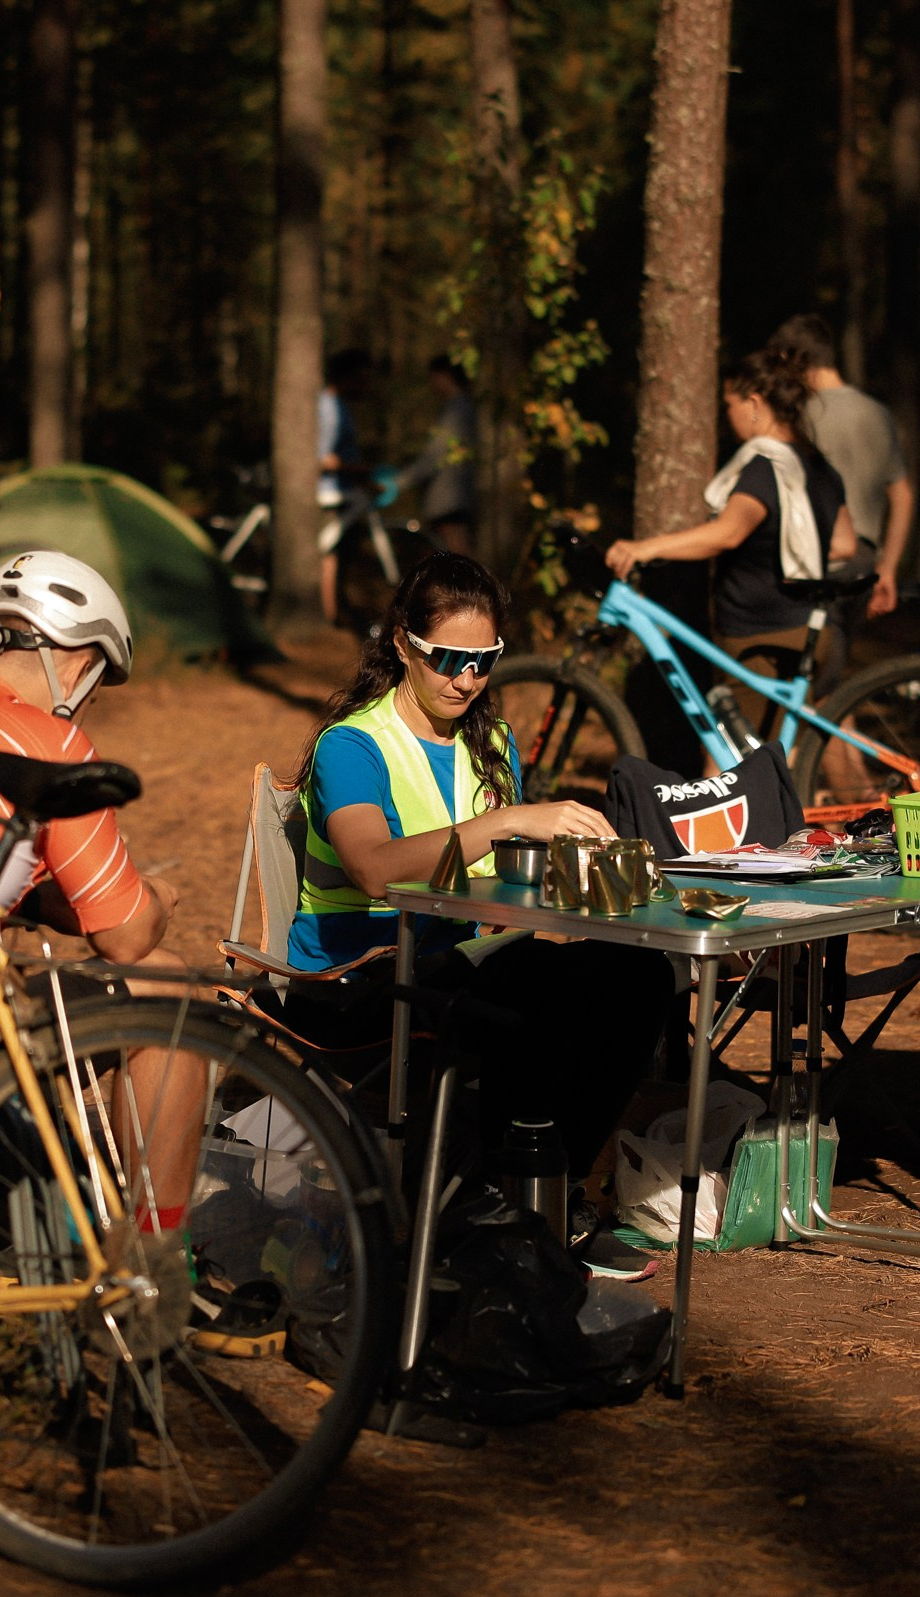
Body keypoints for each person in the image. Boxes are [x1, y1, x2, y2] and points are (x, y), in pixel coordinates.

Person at [284, 550, 676, 1181]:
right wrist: (505, 822)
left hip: (454, 960)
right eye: (446, 658)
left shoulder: (489, 743)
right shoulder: (352, 745)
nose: (465, 679)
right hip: (358, 978)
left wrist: (596, 870)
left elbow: (506, 880)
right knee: (531, 1004)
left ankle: (553, 1190)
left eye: (483, 662)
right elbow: (372, 871)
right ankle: (503, 1197)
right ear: (403, 647)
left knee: (639, 975)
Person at [0, 550, 198, 1227]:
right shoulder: (50, 740)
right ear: (78, 664)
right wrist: (154, 901)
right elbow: (122, 937)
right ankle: (156, 1255)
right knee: (167, 985)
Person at [601, 348, 857, 663]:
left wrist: (645, 548)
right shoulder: (819, 467)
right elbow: (845, 545)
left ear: (754, 404)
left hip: (764, 640)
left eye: (729, 405)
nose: (727, 415)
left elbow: (727, 534)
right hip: (813, 632)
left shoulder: (766, 467)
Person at [767, 314, 914, 618]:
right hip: (864, 560)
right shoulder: (877, 413)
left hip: (819, 559)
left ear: (796, 360)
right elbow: (902, 496)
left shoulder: (798, 416)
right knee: (839, 654)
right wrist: (887, 568)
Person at [397, 355, 478, 555]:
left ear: (444, 376)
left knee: (458, 557)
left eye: (432, 377)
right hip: (453, 498)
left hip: (450, 499)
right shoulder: (460, 407)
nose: (431, 384)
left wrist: (399, 482)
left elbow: (434, 456)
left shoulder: (457, 410)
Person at [316, 348, 373, 626]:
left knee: (336, 554)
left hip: (345, 492)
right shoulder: (328, 408)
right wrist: (359, 470)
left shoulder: (339, 406)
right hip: (330, 494)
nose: (365, 387)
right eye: (360, 379)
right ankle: (329, 618)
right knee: (328, 554)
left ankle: (334, 613)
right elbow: (321, 458)